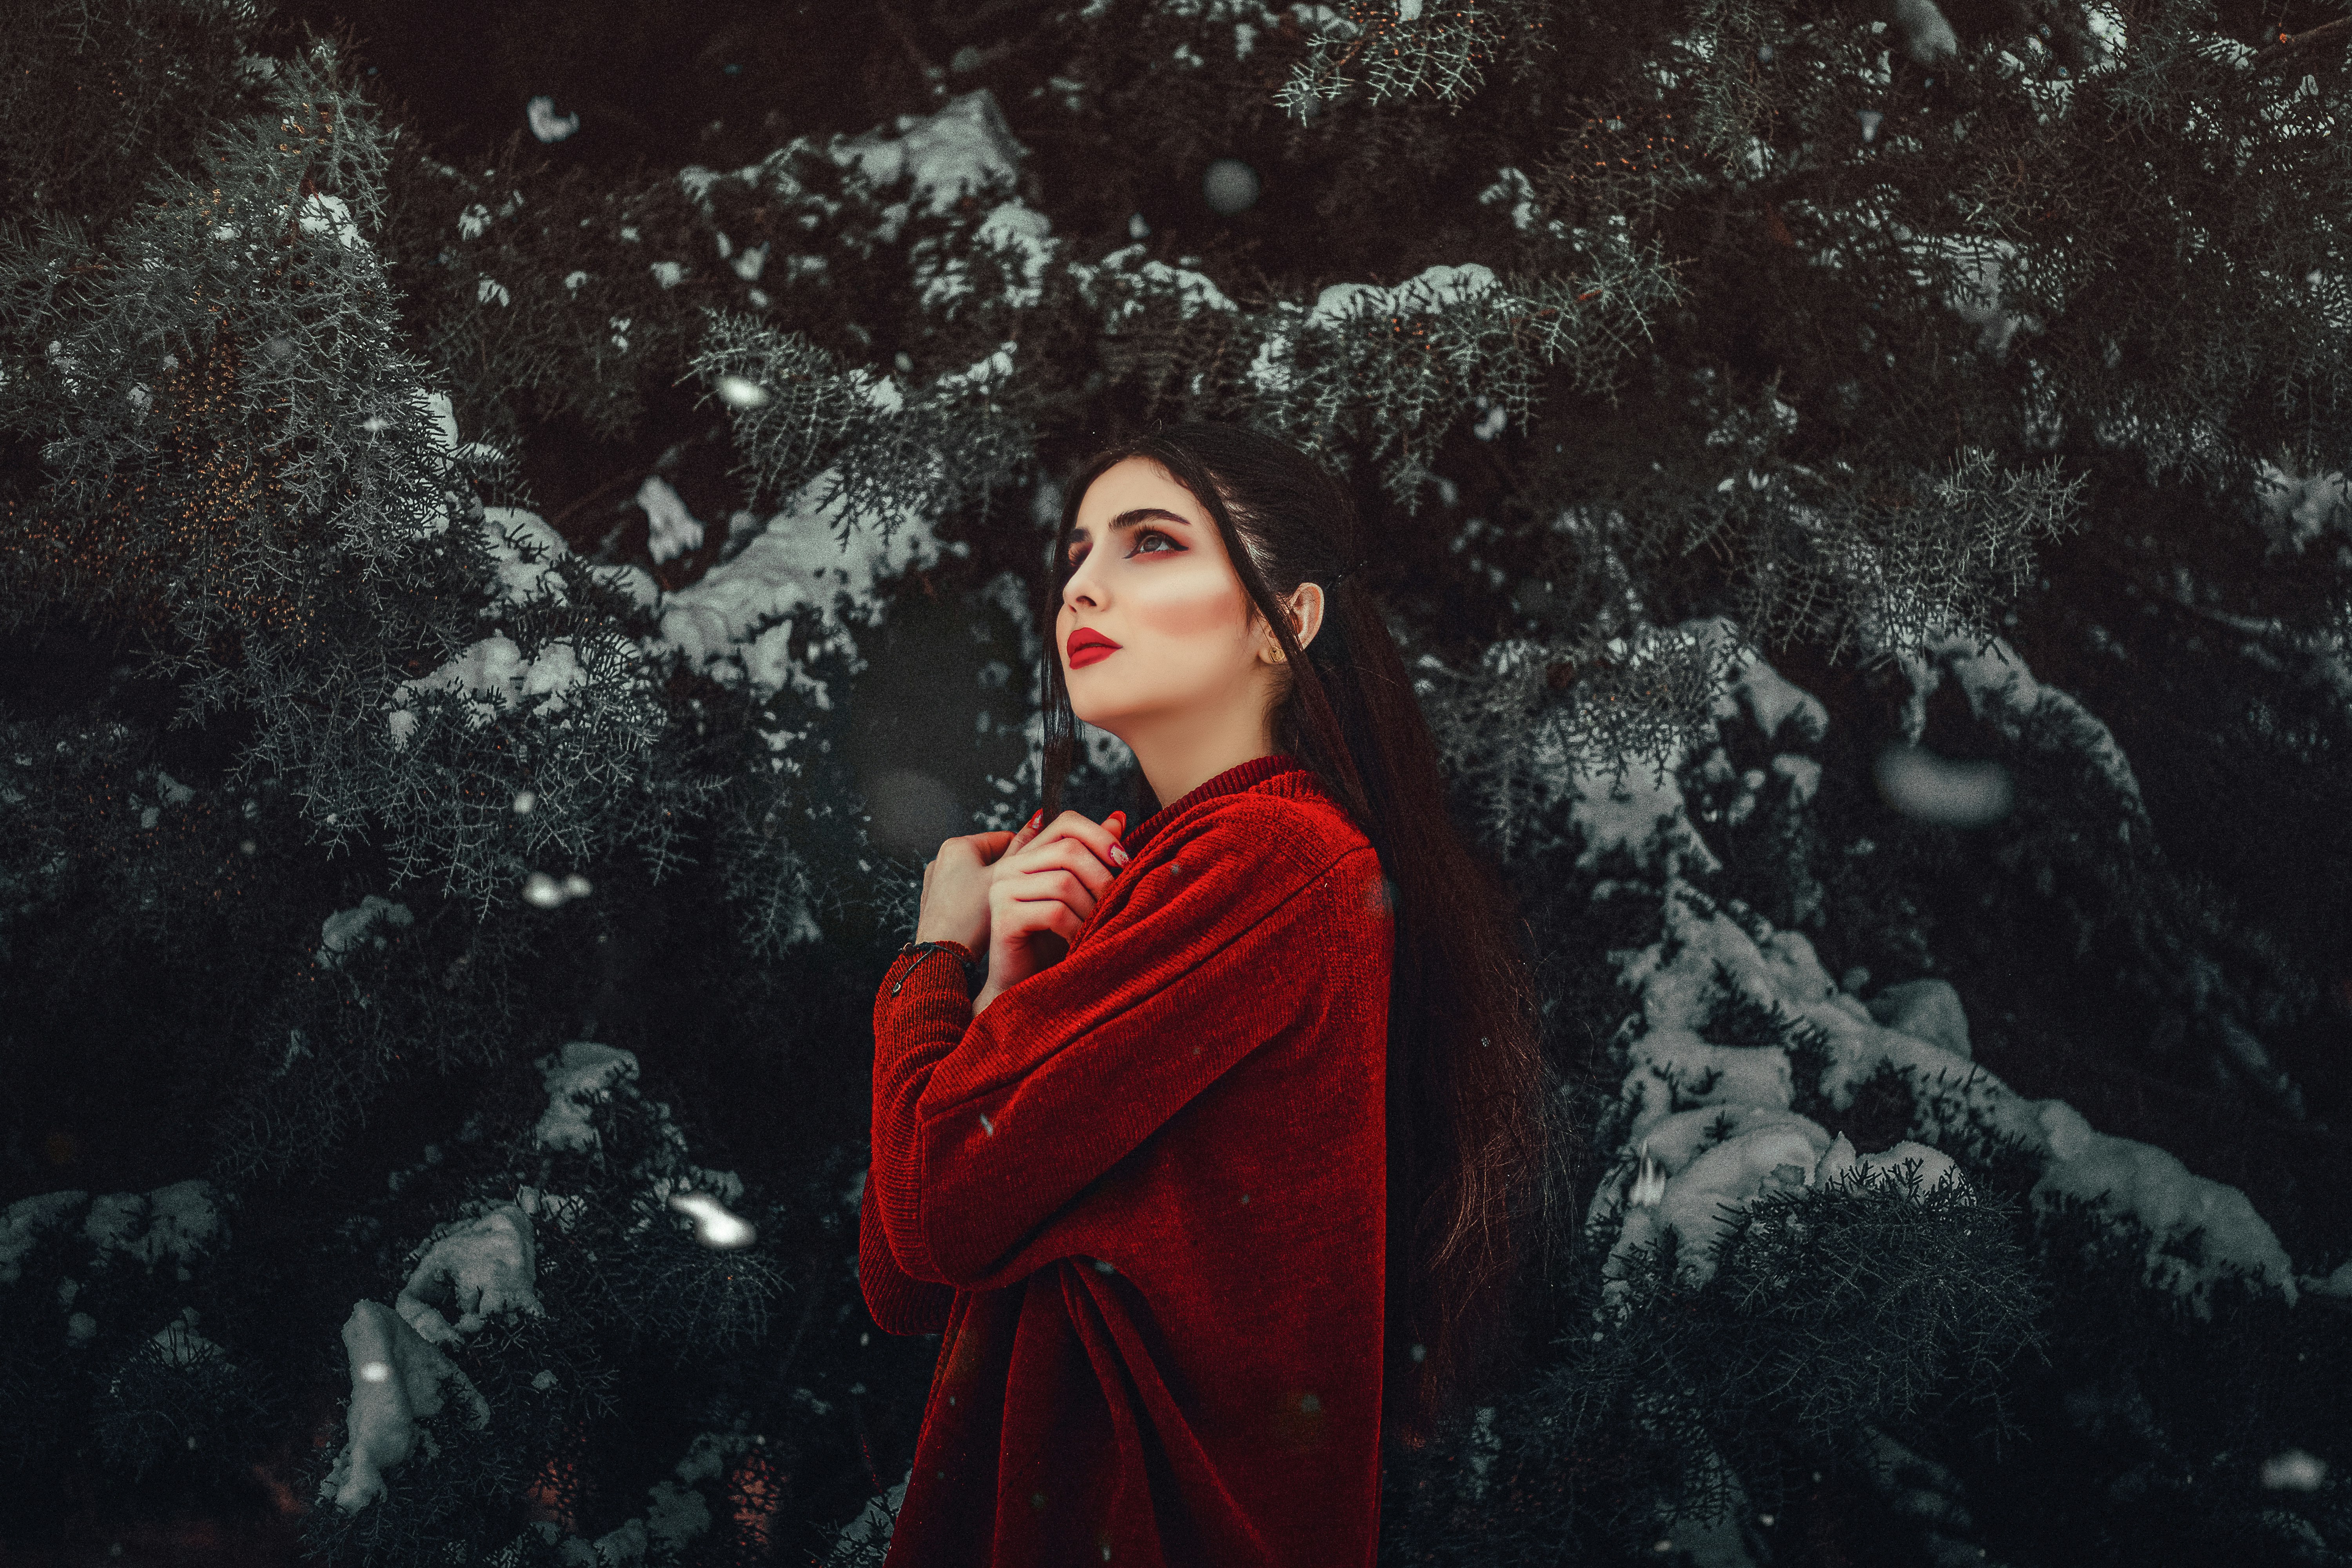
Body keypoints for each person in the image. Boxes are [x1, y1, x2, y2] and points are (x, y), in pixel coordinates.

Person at [858, 423, 1578, 1566]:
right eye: (1079, 555)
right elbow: (907, 1275)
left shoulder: (1272, 864)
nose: (1084, 587)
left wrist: (932, 957)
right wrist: (1001, 984)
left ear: (1285, 623)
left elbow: (935, 1204)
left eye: (1152, 543)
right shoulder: (1165, 882)